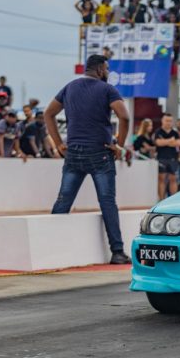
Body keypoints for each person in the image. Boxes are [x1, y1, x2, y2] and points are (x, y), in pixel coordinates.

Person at [45, 54, 131, 265]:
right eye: (107, 69)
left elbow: (48, 114)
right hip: (100, 153)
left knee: (64, 200)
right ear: (100, 69)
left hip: (73, 152)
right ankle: (117, 252)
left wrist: (58, 143)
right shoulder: (107, 90)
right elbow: (124, 116)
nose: (108, 72)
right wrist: (119, 144)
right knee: (107, 202)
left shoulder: (69, 87)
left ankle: (48, 247)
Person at [154, 113, 180, 200]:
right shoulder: (158, 132)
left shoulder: (175, 132)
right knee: (161, 179)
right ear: (162, 121)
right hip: (161, 158)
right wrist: (170, 141)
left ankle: (173, 199)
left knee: (173, 179)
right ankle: (161, 199)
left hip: (173, 158)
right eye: (166, 120)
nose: (168, 123)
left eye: (170, 121)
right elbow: (158, 143)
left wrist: (164, 142)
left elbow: (179, 143)